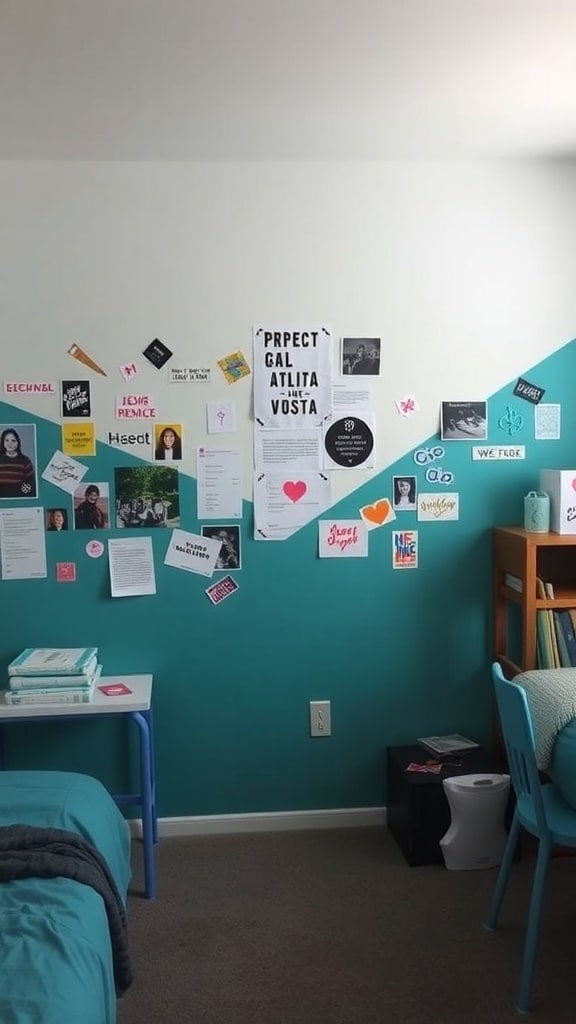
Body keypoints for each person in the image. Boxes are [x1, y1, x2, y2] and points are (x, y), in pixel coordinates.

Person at [0, 427, 36, 498]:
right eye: (6, 440)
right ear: (3, 443)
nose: (9, 443)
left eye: (13, 441)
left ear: (18, 443)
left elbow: (30, 484)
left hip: (19, 496)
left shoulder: (25, 461)